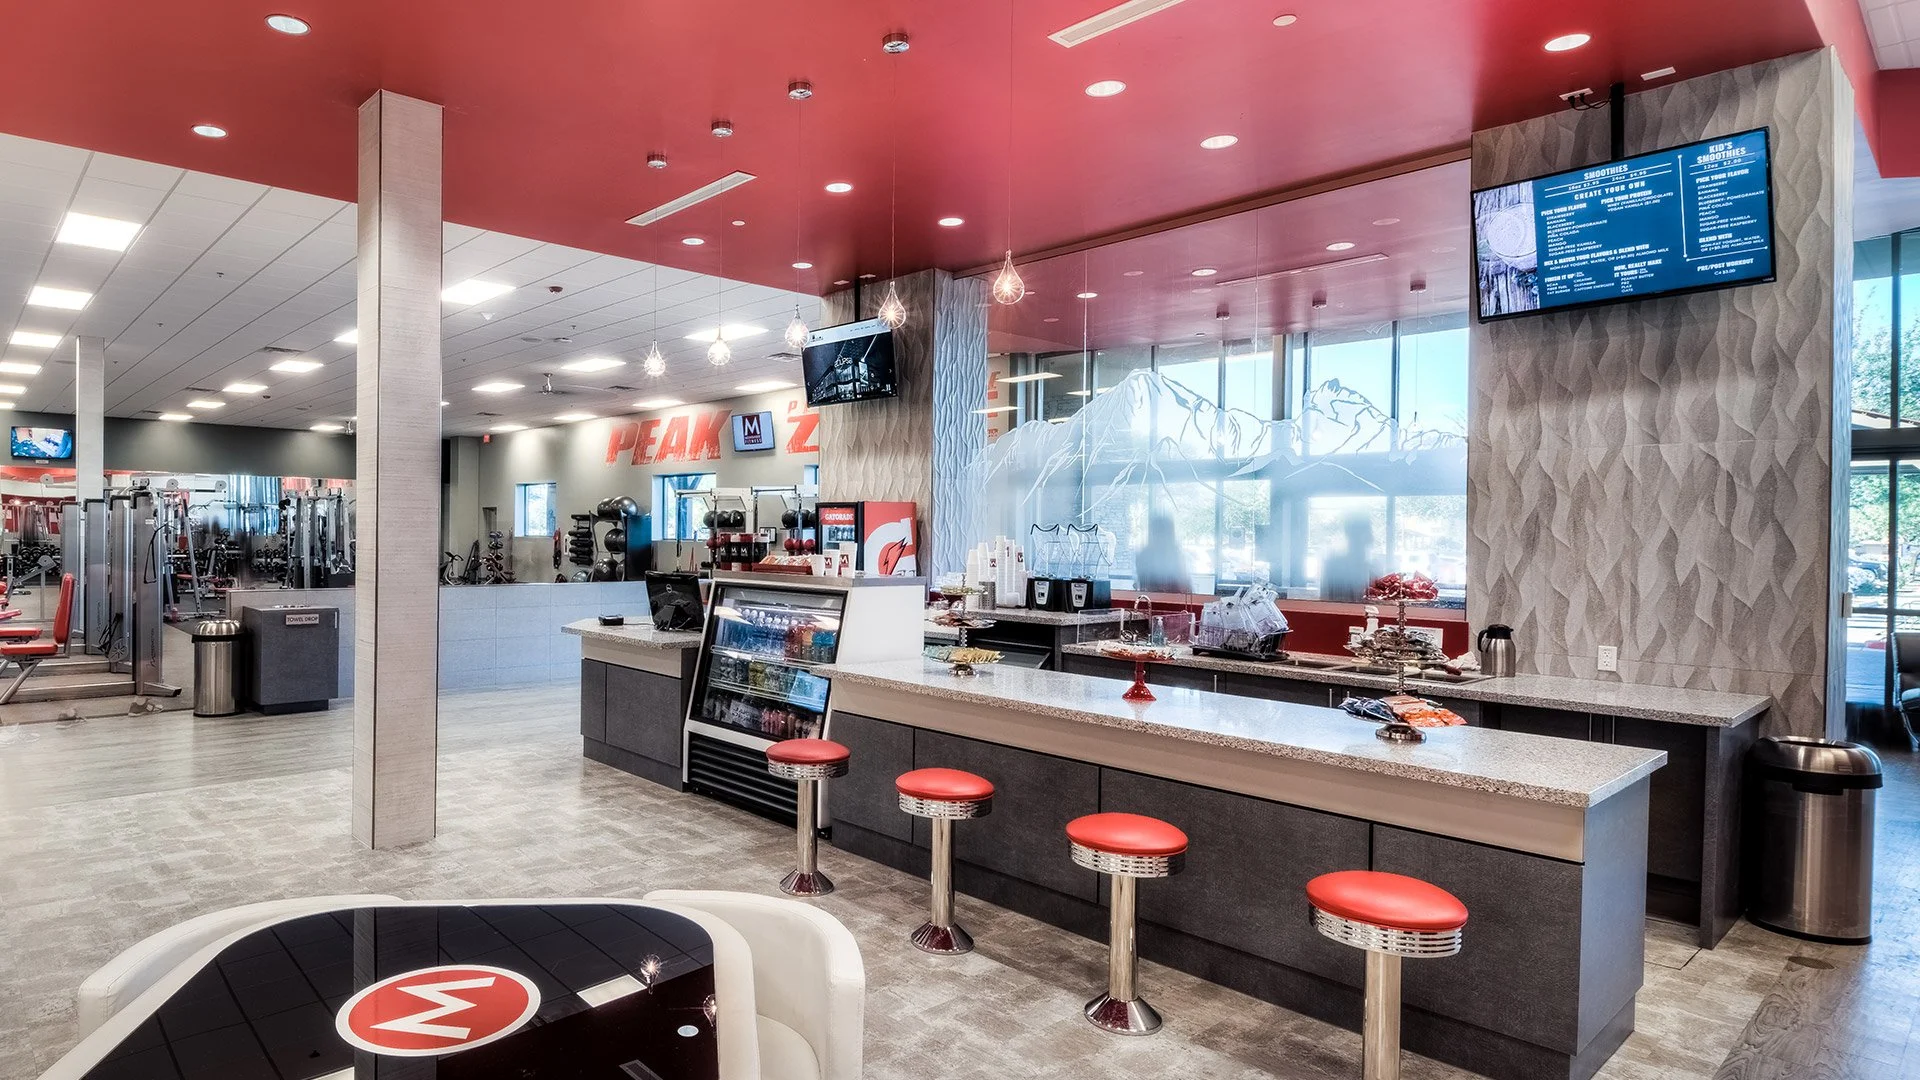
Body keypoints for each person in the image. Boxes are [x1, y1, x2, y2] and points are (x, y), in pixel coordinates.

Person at [1320, 511, 1378, 603]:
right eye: (1358, 532)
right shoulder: (1333, 566)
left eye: (1367, 531)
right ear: (1349, 534)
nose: (1369, 536)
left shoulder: (1374, 569)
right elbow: (1324, 601)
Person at [1133, 511, 1192, 595]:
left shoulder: (1176, 554)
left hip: (1173, 601)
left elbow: (1185, 586)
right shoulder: (1144, 554)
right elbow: (1141, 585)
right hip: (1153, 600)